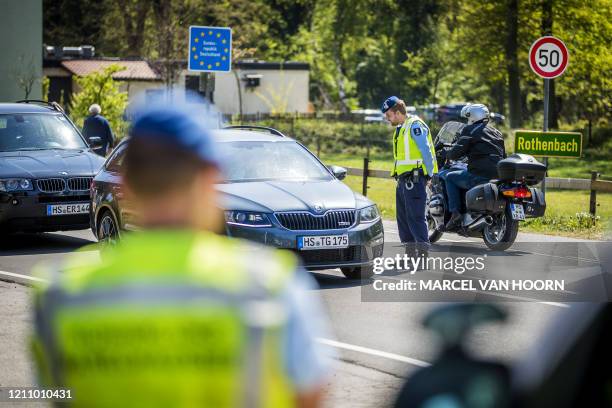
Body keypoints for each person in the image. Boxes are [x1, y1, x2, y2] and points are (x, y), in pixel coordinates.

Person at [31, 104, 332, 407]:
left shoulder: (60, 294)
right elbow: (309, 396)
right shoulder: (270, 285)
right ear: (209, 180)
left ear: (130, 184)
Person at [381, 96, 438, 257]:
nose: (387, 118)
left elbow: (426, 151)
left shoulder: (414, 126)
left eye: (389, 115)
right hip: (403, 180)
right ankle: (410, 252)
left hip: (415, 178)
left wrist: (429, 174)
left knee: (416, 217)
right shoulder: (402, 128)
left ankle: (422, 253)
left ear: (398, 112)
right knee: (403, 218)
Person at [444, 103, 506, 229]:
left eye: (468, 118)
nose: (467, 121)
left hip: (479, 175)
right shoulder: (497, 133)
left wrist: (446, 153)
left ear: (473, 117)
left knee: (450, 177)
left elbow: (456, 153)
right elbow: (503, 154)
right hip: (499, 176)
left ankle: (455, 214)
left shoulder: (470, 130)